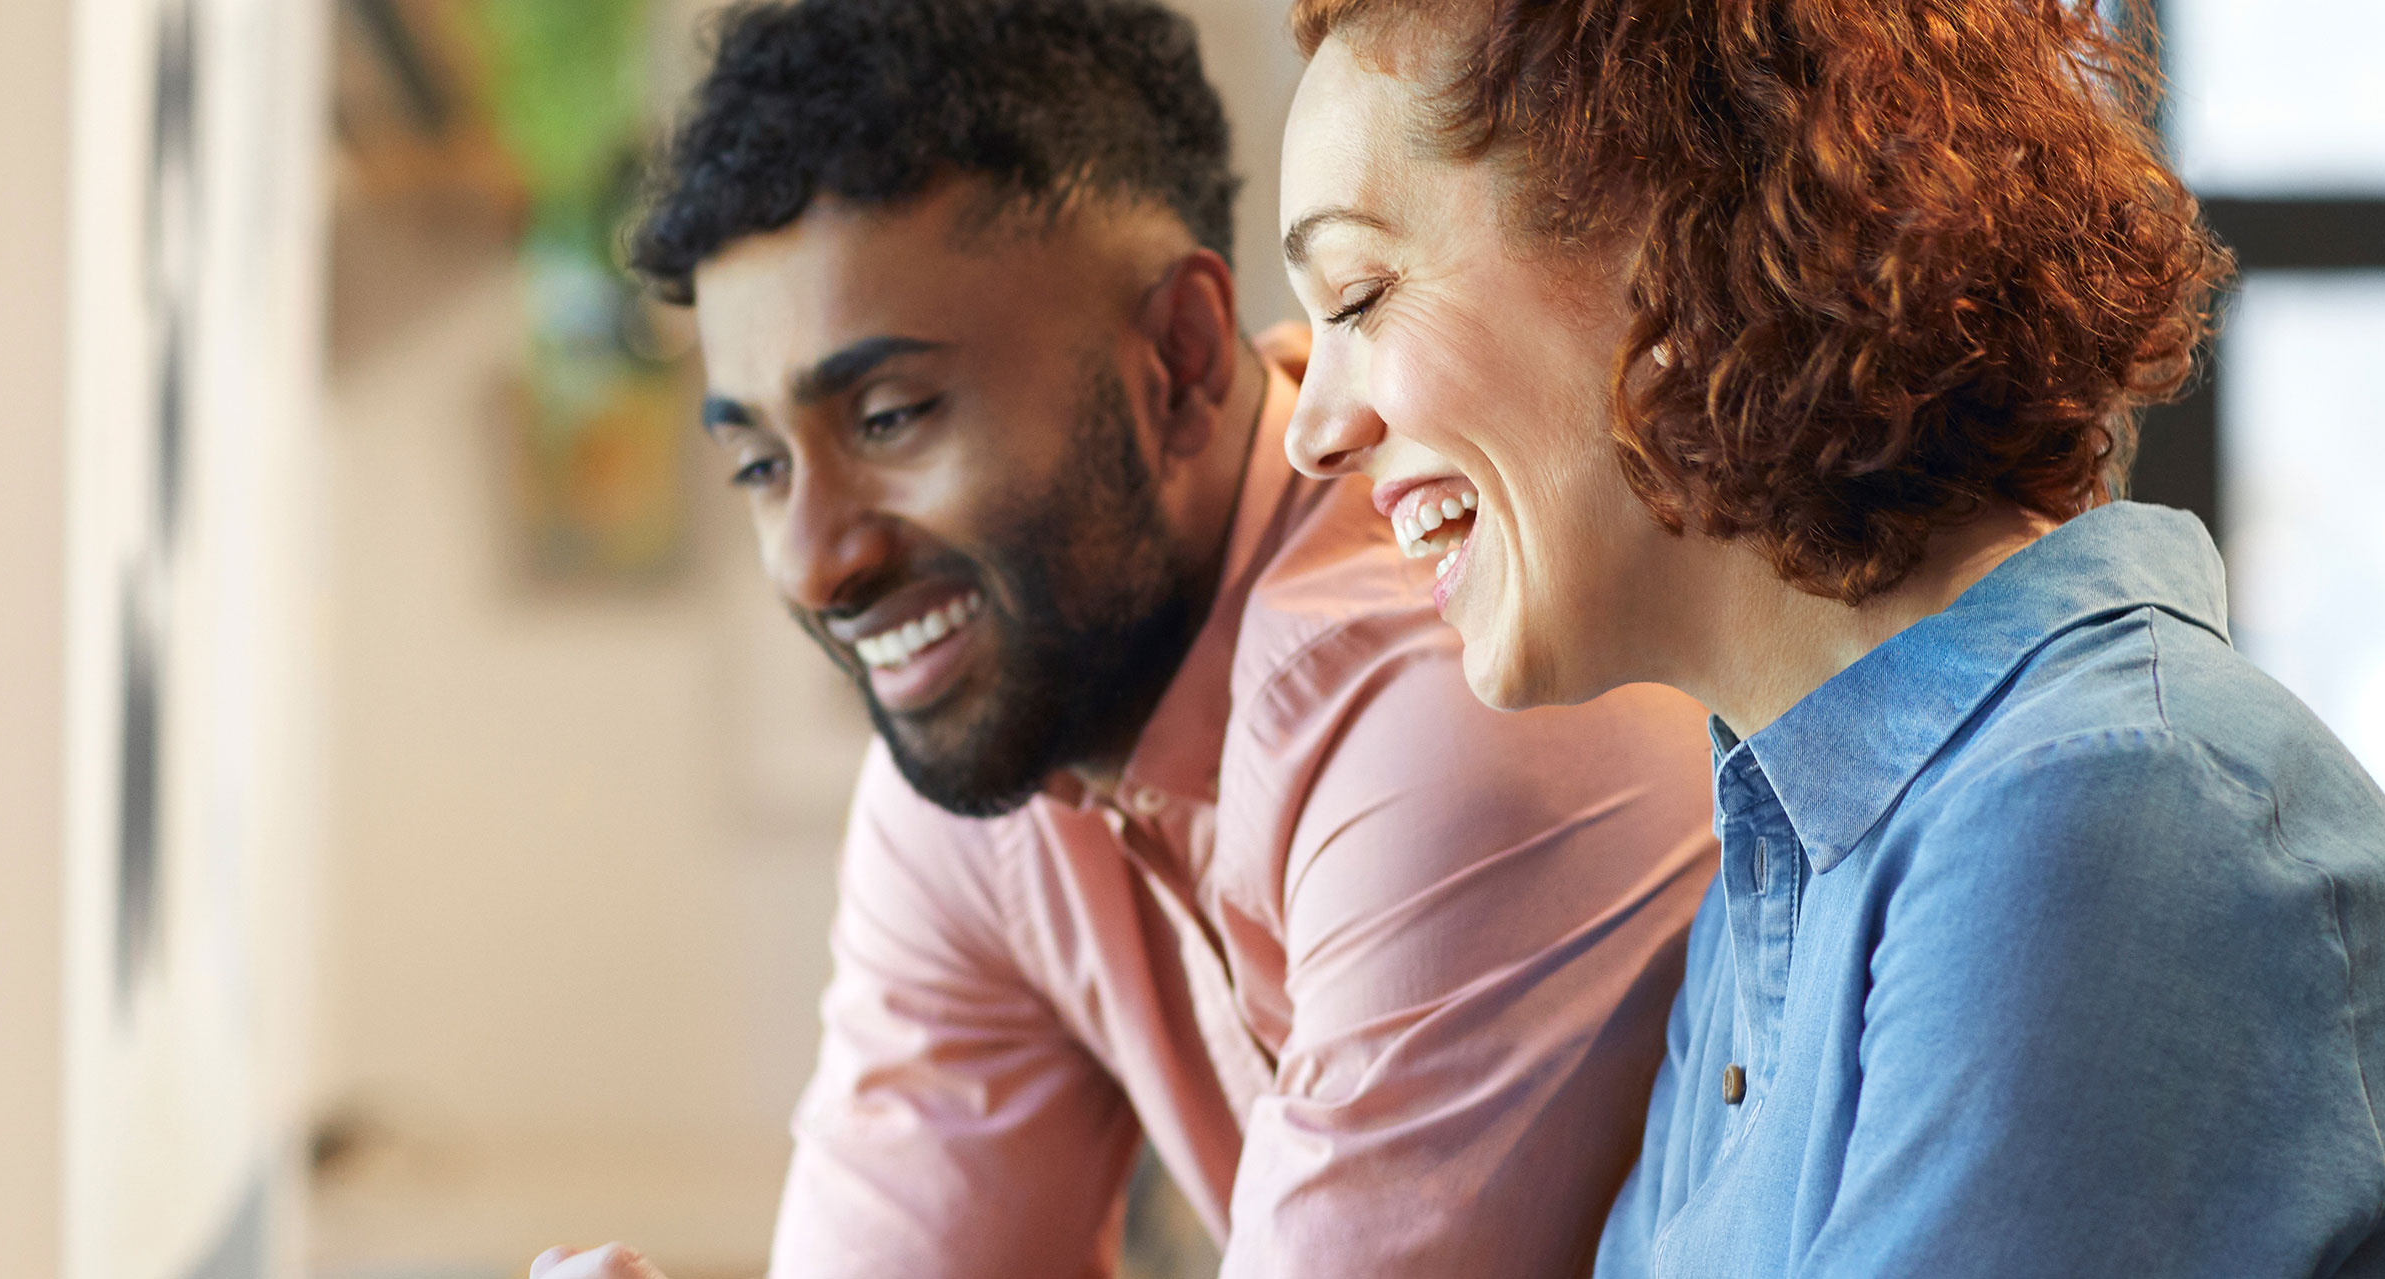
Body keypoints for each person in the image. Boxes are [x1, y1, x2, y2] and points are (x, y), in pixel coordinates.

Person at [1269, 0, 2385, 1274]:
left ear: (1665, 240)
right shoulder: (1804, 845)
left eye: (1362, 293)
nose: (1312, 426)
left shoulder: (2099, 809)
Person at [533, 1, 1720, 1275]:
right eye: (761, 464)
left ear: (1180, 355)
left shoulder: (1456, 692)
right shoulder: (994, 760)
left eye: (889, 417)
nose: (817, 562)